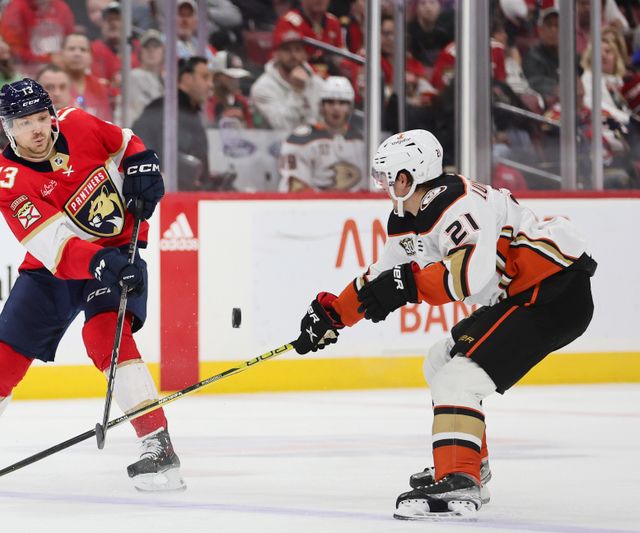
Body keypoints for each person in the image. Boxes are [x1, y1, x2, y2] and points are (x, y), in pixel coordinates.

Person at [290, 129, 596, 519]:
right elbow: (383, 276)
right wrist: (334, 316)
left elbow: (471, 274)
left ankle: (459, 481)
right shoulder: (407, 216)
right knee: (440, 362)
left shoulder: (458, 203)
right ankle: (472, 466)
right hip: (526, 293)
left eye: (386, 177)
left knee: (459, 378)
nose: (382, 185)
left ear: (407, 177)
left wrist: (408, 286)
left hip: (552, 290)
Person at [0, 78, 183, 492]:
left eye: (43, 117)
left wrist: (143, 162)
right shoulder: (7, 180)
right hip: (54, 268)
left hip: (113, 254)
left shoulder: (78, 122)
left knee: (106, 336)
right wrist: (102, 262)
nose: (39, 128)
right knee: (2, 357)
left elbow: (124, 142)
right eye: (25, 122)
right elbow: (55, 245)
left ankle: (157, 442)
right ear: (8, 128)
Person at [132, 56, 215, 191]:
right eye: (205, 77)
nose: (210, 84)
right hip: (167, 197)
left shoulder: (190, 112)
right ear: (187, 79)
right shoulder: (165, 110)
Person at [278, 76, 365, 192]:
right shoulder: (301, 140)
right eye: (330, 102)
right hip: (315, 207)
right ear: (321, 106)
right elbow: (295, 187)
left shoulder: (363, 141)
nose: (336, 108)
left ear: (350, 107)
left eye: (342, 103)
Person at [250, 28, 323, 131]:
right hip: (274, 145)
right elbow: (283, 127)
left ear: (305, 54)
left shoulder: (318, 84)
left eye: (298, 49)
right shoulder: (262, 88)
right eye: (287, 50)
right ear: (276, 54)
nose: (293, 55)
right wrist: (297, 92)